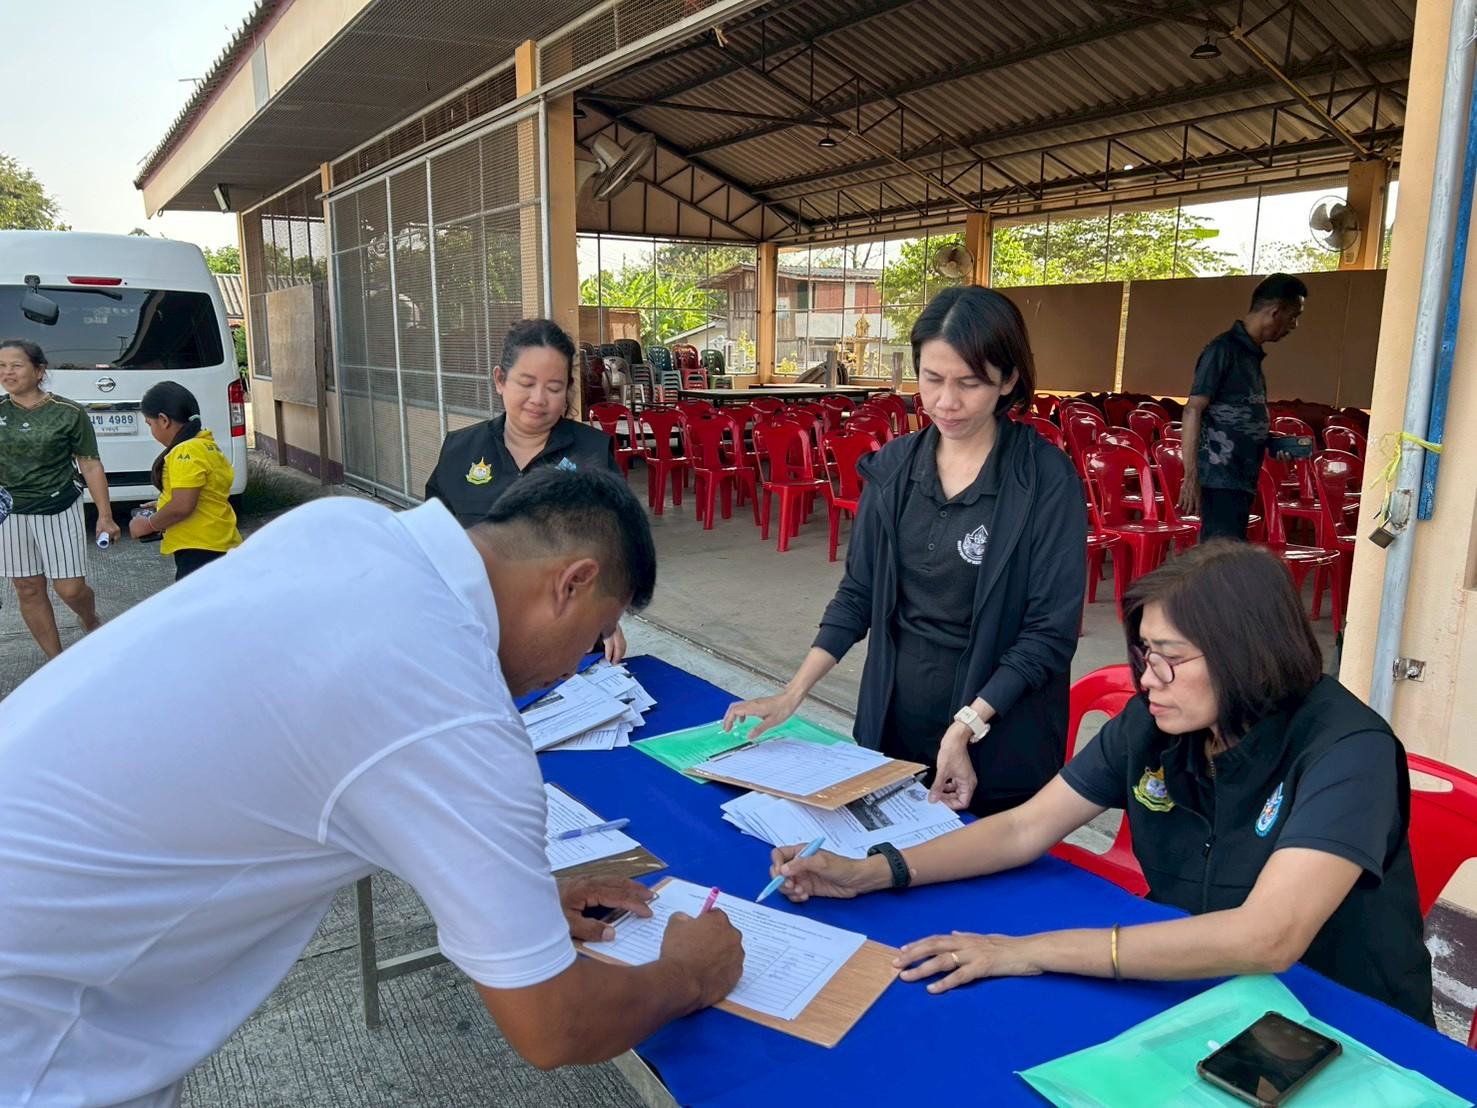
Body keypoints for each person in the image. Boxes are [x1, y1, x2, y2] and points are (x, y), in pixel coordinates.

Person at [0, 469, 743, 1107]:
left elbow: (311, 752)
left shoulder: (341, 524)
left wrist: (521, 901)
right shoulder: (452, 709)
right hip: (38, 1039)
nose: (572, 668)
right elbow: (553, 1026)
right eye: (591, 637)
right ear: (571, 583)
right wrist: (686, 974)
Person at [767, 541, 1434, 1025]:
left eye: (1170, 659)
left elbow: (1267, 937)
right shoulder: (1157, 721)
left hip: (1337, 1019)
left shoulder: (1347, 751)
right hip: (1191, 982)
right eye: (1145, 655)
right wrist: (869, 871)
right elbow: (1027, 826)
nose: (1148, 680)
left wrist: (1032, 951)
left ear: (1248, 655)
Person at [725, 286, 1087, 817]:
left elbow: (1048, 635)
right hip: (893, 729)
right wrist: (792, 692)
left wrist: (965, 727)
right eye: (932, 379)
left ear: (1008, 380)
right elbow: (858, 594)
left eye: (969, 383)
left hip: (1002, 737)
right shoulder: (894, 470)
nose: (946, 401)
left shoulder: (1044, 481)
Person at [427, 317, 629, 662]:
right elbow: (432, 545)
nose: (539, 399)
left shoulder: (592, 453)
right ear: (500, 380)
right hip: (474, 635)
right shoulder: (460, 451)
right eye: (526, 383)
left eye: (554, 387)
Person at [0, 339, 120, 658]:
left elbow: (90, 465)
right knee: (27, 587)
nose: (7, 372)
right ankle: (56, 661)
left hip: (58, 506)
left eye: (16, 365)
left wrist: (105, 516)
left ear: (39, 371)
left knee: (70, 588)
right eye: (1, 366)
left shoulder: (69, 412)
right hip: (9, 512)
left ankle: (89, 618)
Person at [1177, 273, 1308, 542]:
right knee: (1220, 554)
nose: (1294, 325)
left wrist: (1269, 442)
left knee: (1227, 552)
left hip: (1241, 477)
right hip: (1220, 477)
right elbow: (1193, 410)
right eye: (1293, 316)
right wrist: (1190, 476)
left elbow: (1240, 416)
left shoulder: (1251, 355)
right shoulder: (1223, 350)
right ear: (1276, 312)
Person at [129, 381, 242, 579]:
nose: (152, 431)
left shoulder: (184, 451)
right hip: (219, 542)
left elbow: (182, 506)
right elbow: (204, 492)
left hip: (199, 550)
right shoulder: (206, 444)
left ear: (164, 420)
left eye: (150, 424)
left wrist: (148, 524)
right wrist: (164, 502)